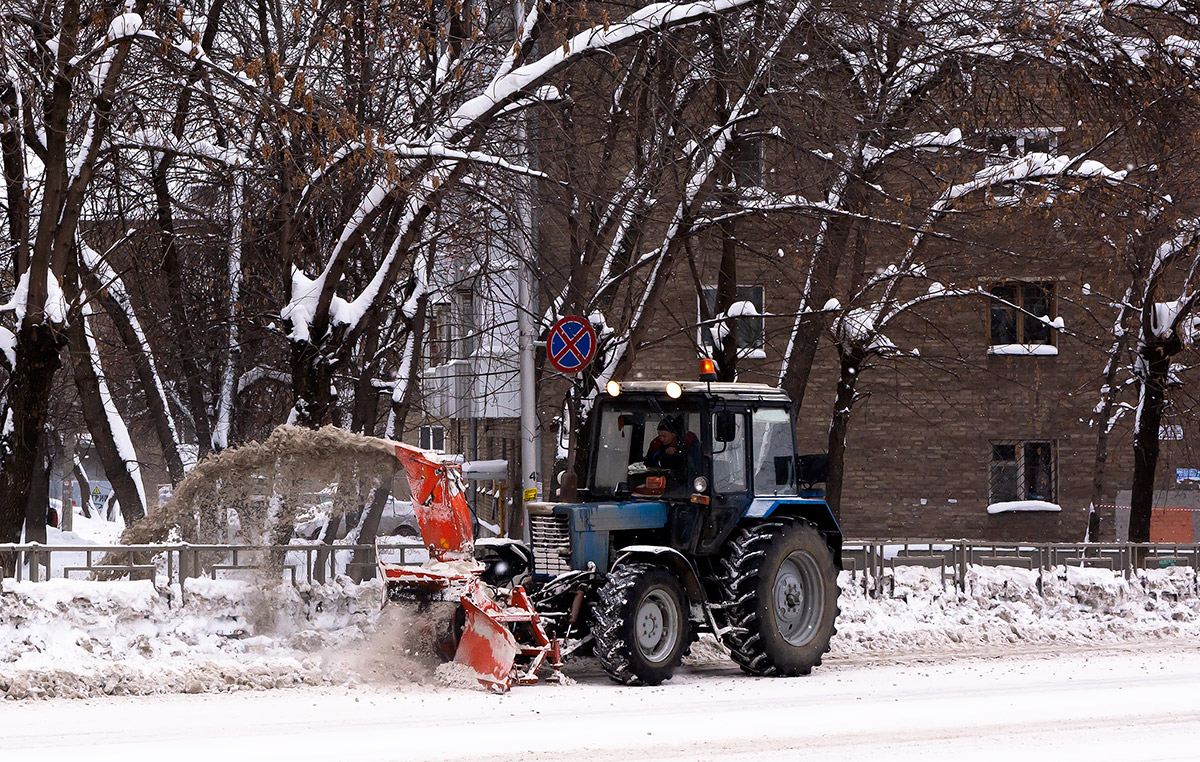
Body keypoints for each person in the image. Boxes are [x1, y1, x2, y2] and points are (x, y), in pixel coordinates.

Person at [644, 417, 698, 481]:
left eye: (664, 436)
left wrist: (679, 452)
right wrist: (663, 455)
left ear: (674, 434)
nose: (661, 439)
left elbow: (697, 463)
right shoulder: (656, 444)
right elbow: (649, 466)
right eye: (659, 435)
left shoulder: (688, 440)